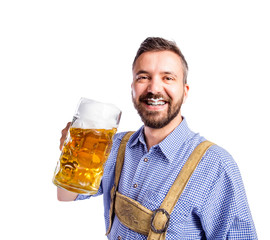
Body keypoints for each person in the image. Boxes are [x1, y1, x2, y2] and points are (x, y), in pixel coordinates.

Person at [57, 37, 257, 239]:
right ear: (132, 88)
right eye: (143, 77)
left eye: (168, 78)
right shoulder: (114, 146)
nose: (154, 89)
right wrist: (72, 153)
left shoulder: (215, 165)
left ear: (185, 92)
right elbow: (65, 196)